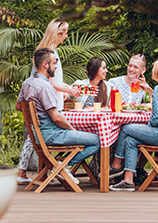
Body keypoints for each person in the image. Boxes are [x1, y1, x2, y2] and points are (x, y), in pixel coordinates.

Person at [16, 48, 100, 184]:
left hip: (39, 136)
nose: (56, 66)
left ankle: (60, 165)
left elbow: (19, 106)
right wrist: (72, 129)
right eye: (54, 63)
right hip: (53, 134)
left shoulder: (27, 83)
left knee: (87, 137)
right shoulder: (45, 86)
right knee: (98, 140)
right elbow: (56, 117)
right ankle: (64, 166)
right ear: (45, 64)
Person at [17, 18, 80, 184]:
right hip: (46, 104)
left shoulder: (48, 51)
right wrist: (67, 90)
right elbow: (45, 81)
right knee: (38, 136)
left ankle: (45, 171)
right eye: (65, 33)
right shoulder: (49, 54)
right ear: (58, 34)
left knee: (34, 137)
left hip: (48, 99)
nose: (66, 37)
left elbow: (51, 81)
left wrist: (63, 91)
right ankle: (56, 168)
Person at [109, 58, 158, 192]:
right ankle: (128, 181)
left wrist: (145, 127)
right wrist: (149, 90)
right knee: (130, 140)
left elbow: (155, 120)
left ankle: (116, 165)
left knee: (126, 128)